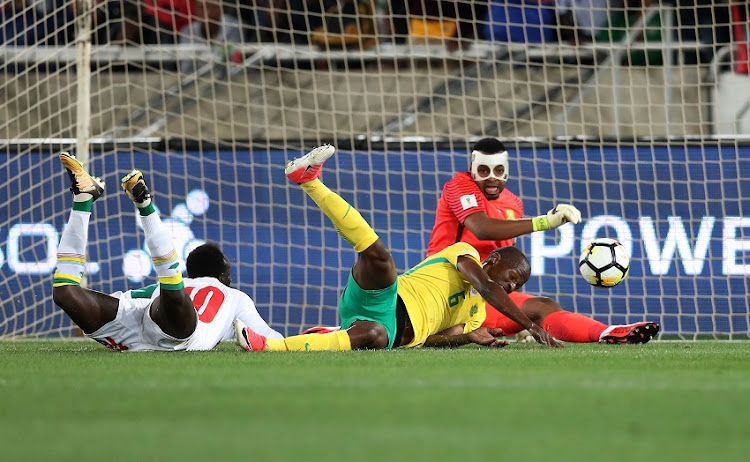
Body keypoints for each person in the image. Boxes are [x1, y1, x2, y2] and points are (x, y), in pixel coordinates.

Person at [234, 145, 562, 352]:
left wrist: (466, 337)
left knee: (373, 337)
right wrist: (533, 326)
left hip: (391, 332)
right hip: (385, 296)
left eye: (519, 286)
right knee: (380, 257)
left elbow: (435, 339)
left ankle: (270, 346)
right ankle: (310, 181)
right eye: (514, 277)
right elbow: (488, 286)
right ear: (494, 260)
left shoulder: (475, 316)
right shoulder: (465, 254)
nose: (514, 285)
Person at [426, 137, 660, 344]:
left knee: (543, 306)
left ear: (506, 171)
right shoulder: (459, 186)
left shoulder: (513, 204)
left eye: (498, 170)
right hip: (446, 293)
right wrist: (546, 222)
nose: (491, 178)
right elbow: (482, 228)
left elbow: (506, 263)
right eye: (483, 171)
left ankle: (610, 332)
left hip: (482, 301)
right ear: (472, 169)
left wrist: (513, 309)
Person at [52, 152, 282, 351]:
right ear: (223, 277)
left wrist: (105, 309)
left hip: (135, 327)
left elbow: (134, 299)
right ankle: (144, 204)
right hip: (176, 333)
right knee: (172, 297)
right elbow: (272, 339)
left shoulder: (179, 289)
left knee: (65, 293)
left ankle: (83, 198)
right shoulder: (236, 297)